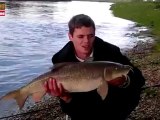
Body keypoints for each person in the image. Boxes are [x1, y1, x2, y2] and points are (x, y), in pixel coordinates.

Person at [44, 14, 145, 120]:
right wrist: (64, 96)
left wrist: (124, 81)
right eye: (80, 36)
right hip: (80, 107)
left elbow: (139, 79)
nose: (86, 41)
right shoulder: (61, 59)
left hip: (112, 109)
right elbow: (67, 105)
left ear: (95, 35)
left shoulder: (111, 51)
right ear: (70, 36)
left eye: (90, 36)